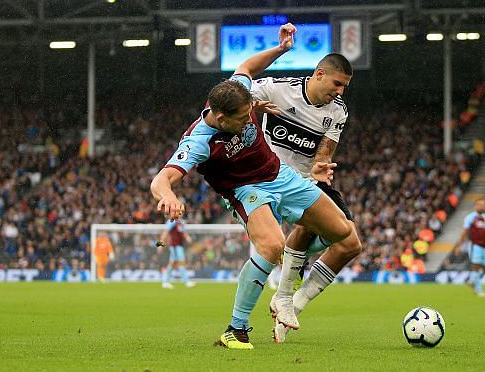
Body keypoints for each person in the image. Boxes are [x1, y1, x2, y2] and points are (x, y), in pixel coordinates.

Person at [150, 23, 351, 350]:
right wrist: (169, 195)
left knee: (340, 232)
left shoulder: (237, 92)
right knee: (271, 246)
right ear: (219, 116)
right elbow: (162, 178)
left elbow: (246, 68)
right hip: (247, 191)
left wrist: (281, 49)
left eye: (250, 111)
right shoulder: (199, 141)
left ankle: (292, 263)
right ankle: (236, 329)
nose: (249, 119)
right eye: (242, 118)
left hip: (281, 175)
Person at [251, 52, 362, 342]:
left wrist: (320, 168)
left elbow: (323, 155)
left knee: (350, 245)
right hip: (270, 179)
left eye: (344, 88)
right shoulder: (277, 89)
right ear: (319, 74)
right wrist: (250, 105)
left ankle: (292, 303)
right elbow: (227, 96)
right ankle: (285, 294)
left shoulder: (338, 111)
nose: (339, 92)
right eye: (337, 84)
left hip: (305, 180)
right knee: (308, 220)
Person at [455, 199, 485, 296]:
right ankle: (479, 290)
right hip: (475, 245)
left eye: (483, 205)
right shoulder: (470, 218)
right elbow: (465, 232)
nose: (481, 206)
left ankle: (472, 280)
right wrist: (459, 246)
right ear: (475, 206)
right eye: (479, 205)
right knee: (476, 267)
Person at [161, 219, 195, 289]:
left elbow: (183, 232)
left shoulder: (181, 222)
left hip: (179, 246)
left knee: (172, 264)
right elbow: (165, 233)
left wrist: (188, 238)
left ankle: (166, 282)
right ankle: (187, 282)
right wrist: (160, 244)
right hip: (174, 247)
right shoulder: (172, 221)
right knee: (181, 263)